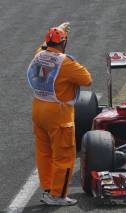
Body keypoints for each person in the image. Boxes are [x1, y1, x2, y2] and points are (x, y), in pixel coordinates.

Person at [27, 22, 92, 206]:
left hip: (38, 108)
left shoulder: (39, 54)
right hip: (58, 112)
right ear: (63, 43)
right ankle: (57, 195)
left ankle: (48, 189)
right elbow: (87, 79)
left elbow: (42, 46)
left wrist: (58, 29)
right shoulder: (66, 63)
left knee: (44, 152)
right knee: (64, 155)